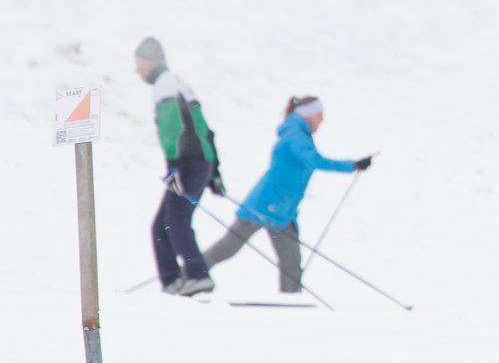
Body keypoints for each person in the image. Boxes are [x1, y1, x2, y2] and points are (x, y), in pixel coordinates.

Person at [203, 95, 373, 294]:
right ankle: (189, 275)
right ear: (309, 115)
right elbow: (314, 160)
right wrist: (352, 166)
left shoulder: (299, 133)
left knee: (290, 262)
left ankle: (291, 301)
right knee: (228, 248)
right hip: (264, 206)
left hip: (281, 211)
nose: (322, 120)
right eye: (320, 115)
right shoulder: (295, 134)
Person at [135, 36, 223, 296]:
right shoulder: (178, 82)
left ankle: (195, 275)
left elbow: (172, 127)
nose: (137, 70)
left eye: (139, 63)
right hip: (200, 162)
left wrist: (173, 165)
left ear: (151, 61)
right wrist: (215, 171)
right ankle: (175, 281)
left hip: (188, 163)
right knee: (164, 224)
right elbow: (206, 129)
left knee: (174, 221)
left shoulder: (164, 86)